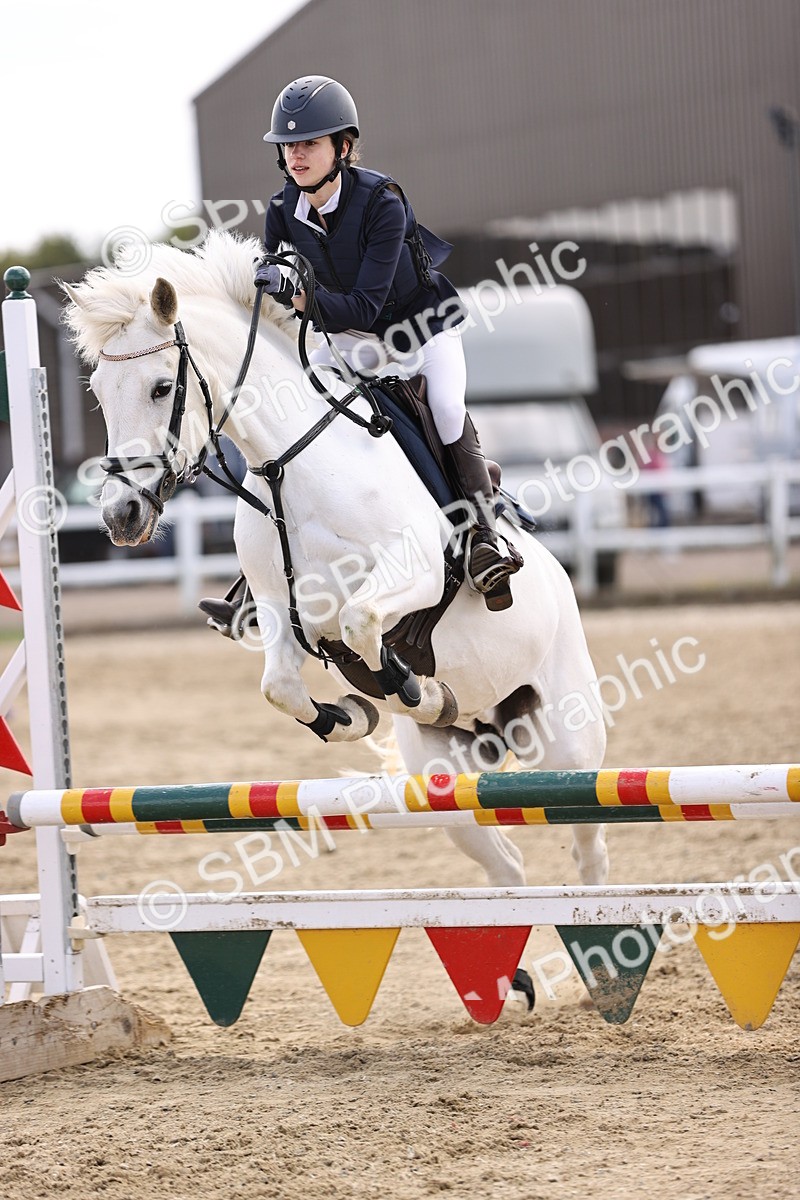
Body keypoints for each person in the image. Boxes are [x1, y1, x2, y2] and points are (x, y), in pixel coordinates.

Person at [200, 75, 521, 632]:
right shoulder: (283, 211)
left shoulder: (382, 201)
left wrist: (298, 294)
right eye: (289, 145)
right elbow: (281, 277)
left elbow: (367, 306)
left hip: (419, 332)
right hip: (349, 343)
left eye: (309, 144)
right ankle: (261, 581)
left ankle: (482, 538)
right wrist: (265, 279)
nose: (295, 155)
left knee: (444, 408)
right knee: (293, 420)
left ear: (342, 148)